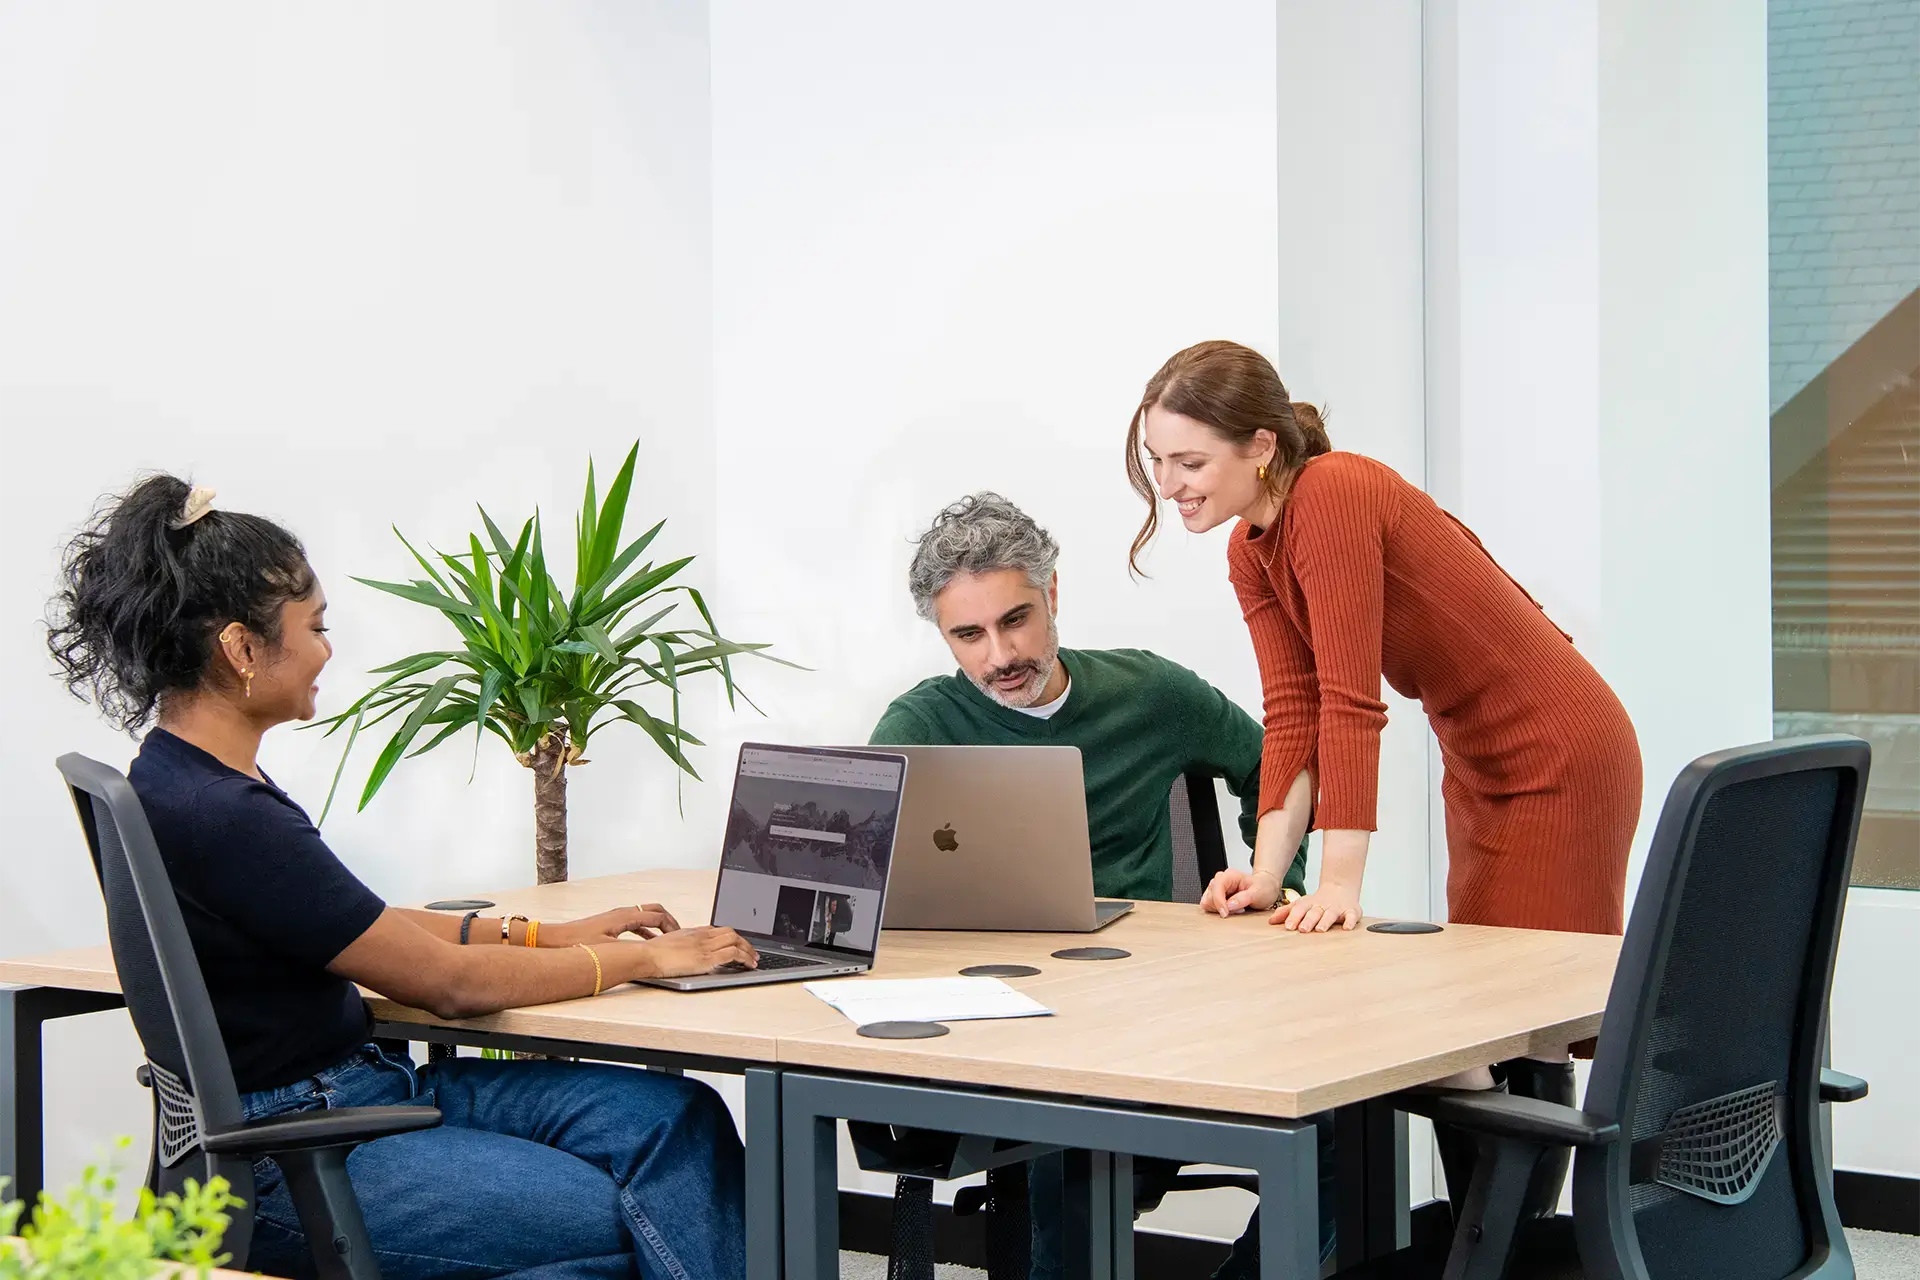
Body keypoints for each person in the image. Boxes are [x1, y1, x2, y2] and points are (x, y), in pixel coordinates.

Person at [47, 475, 756, 1280]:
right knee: (647, 1209)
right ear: (243, 648)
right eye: (314, 627)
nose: (326, 649)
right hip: (301, 1152)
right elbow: (448, 986)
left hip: (359, 1091)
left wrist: (546, 934)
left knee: (679, 1120)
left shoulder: (175, 776)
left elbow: (361, 921)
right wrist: (647, 958)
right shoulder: (225, 814)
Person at [1126, 340, 1643, 1223]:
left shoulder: (1332, 494)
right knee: (1479, 1010)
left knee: (1520, 1003)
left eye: (1188, 461)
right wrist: (1266, 872)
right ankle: (1490, 1239)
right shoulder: (1251, 550)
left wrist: (1338, 886)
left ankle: (1510, 1243)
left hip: (1560, 748)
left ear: (1259, 446)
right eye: (1156, 463)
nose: (1169, 484)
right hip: (1477, 755)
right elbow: (1292, 713)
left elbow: (1350, 704)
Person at [870, 492, 1326, 1278]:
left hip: (1147, 1004)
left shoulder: (1151, 694)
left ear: (1053, 594)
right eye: (968, 635)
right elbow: (864, 874)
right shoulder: (918, 728)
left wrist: (1275, 880)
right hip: (997, 1014)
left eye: (1015, 620)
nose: (998, 656)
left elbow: (1278, 763)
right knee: (1068, 1128)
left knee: (1337, 1133)